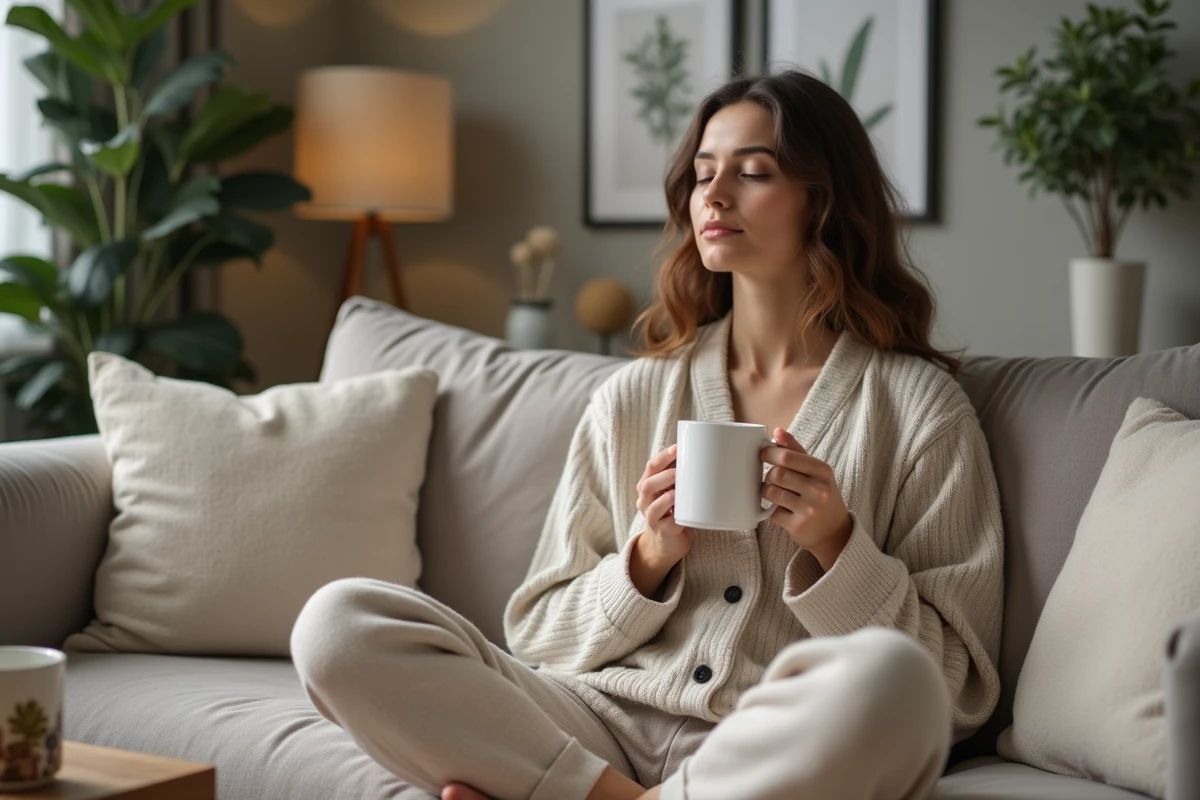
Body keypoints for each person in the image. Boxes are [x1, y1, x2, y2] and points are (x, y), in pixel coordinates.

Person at [291, 69, 1004, 800]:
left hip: (762, 743)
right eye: (702, 175)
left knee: (897, 684)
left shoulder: (920, 411)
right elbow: (537, 634)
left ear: (824, 201)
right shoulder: (632, 395)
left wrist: (835, 547)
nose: (716, 196)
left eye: (753, 172)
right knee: (338, 623)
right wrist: (647, 557)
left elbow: (958, 689)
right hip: (594, 725)